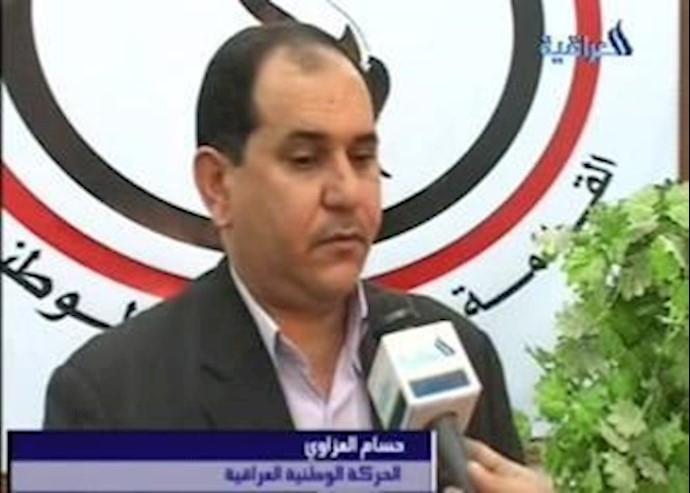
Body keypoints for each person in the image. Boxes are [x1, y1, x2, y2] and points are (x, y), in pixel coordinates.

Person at [44, 21, 536, 489]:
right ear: (218, 185)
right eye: (305, 160)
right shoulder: (109, 398)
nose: (346, 192)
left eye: (362, 158)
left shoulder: (454, 349)